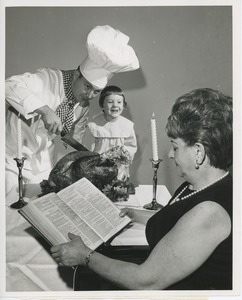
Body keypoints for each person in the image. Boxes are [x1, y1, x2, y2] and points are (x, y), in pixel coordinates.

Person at [50, 88, 232, 290]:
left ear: (198, 152)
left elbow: (145, 280)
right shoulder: (197, 185)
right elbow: (178, 220)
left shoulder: (210, 212)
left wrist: (84, 255)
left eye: (175, 146)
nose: (171, 155)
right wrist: (136, 215)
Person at [5, 25, 139, 195]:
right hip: (10, 161)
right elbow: (8, 85)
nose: (90, 95)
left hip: (43, 163)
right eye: (87, 86)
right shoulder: (47, 78)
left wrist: (102, 159)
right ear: (76, 75)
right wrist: (45, 110)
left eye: (96, 92)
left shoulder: (82, 107)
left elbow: (73, 142)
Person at [84, 85, 137, 180]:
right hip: (98, 168)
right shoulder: (94, 126)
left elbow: (131, 147)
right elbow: (87, 150)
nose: (115, 105)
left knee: (116, 188)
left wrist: (125, 160)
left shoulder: (127, 125)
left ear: (124, 105)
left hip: (119, 168)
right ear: (102, 105)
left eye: (119, 102)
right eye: (110, 102)